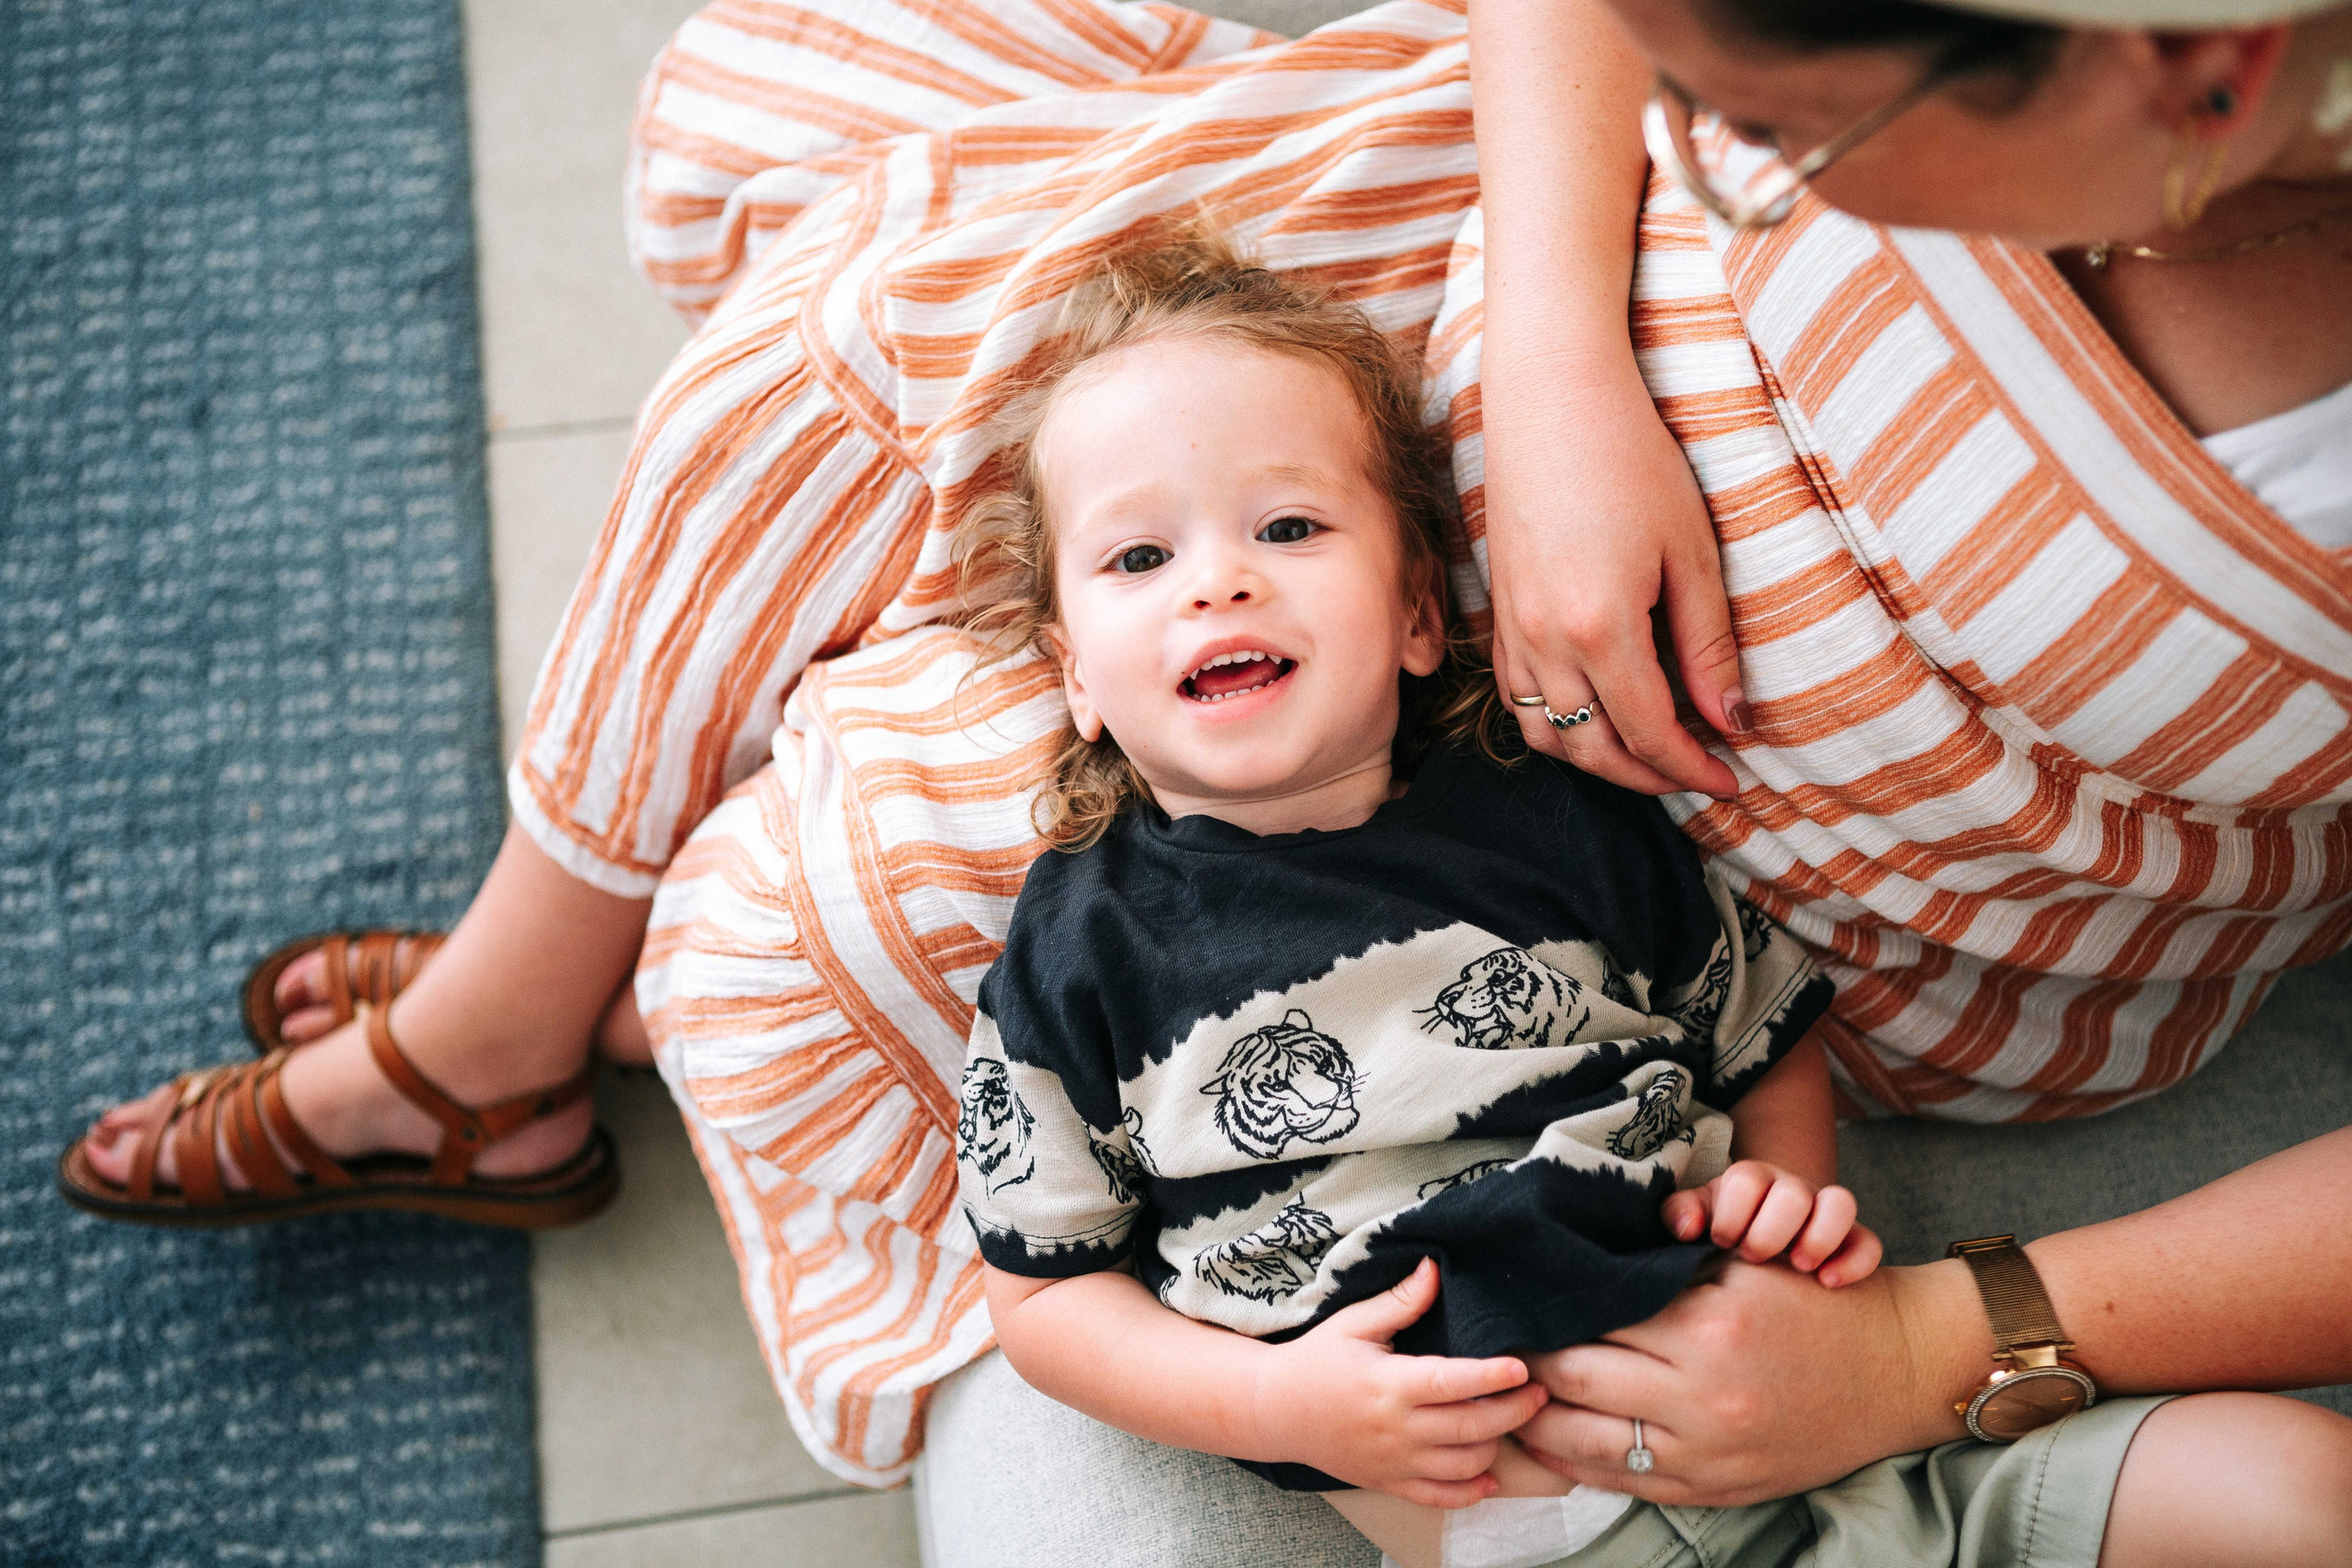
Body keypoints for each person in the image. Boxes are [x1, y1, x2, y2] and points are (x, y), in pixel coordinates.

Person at [55, 0, 2352, 1556]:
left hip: (1647, 792)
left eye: (1788, 131)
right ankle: (515, 1027)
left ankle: (519, 1034)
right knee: (813, 146)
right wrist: (1558, 367)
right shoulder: (1726, 142)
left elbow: (1757, 1023)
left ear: (2208, 76)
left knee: (804, 825)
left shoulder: (1247, 880)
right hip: (1490, 354)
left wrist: (1947, 1331)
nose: (1732, 159)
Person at [944, 231, 2346, 1568]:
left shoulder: (1558, 820)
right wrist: (1273, 1405)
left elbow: (1765, 1035)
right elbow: (1048, 1297)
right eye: (1141, 559)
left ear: (1423, 612)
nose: (1220, 580)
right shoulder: (1073, 955)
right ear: (1075, 672)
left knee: (2288, 1487)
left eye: (1290, 525)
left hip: (1848, 1447)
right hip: (1529, 1536)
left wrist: (1776, 1210)